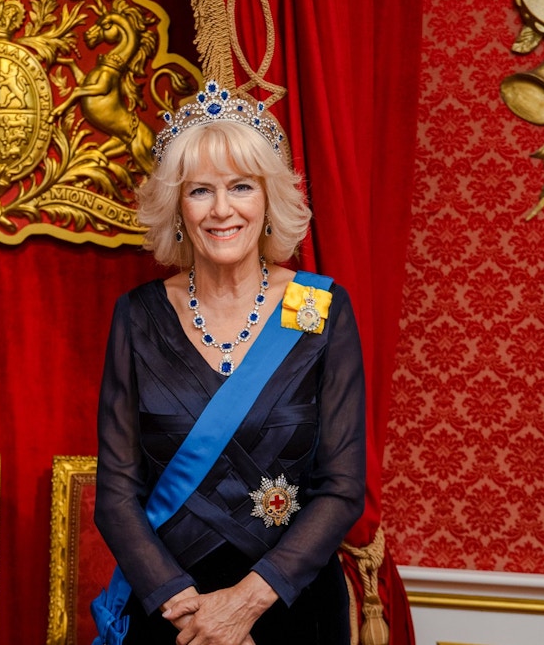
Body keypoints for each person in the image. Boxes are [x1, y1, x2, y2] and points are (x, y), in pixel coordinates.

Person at [92, 81, 365, 645]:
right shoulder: (138, 317)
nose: (222, 210)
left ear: (268, 200)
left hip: (291, 604)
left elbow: (341, 489)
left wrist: (244, 604)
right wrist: (183, 606)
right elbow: (116, 492)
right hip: (173, 611)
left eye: (241, 187)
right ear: (176, 207)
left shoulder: (319, 310)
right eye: (200, 191)